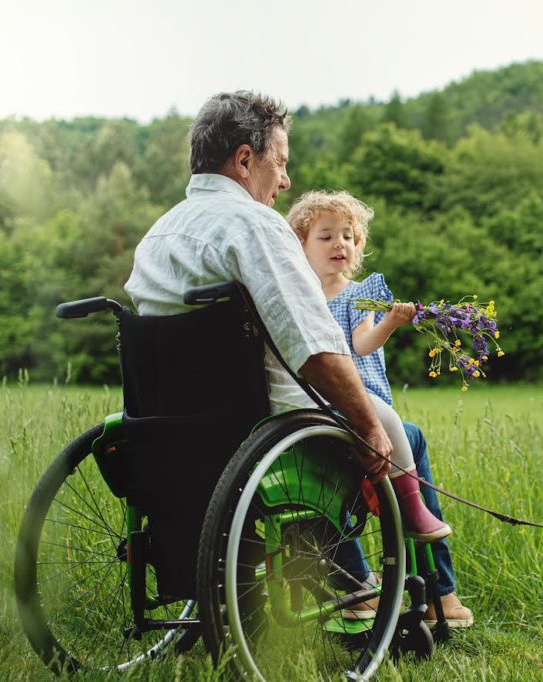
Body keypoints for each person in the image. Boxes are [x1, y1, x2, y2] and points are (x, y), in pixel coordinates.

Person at [124, 90, 472, 628]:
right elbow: (315, 346)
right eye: (280, 163)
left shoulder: (160, 232)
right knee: (386, 428)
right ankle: (377, 581)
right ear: (245, 159)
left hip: (168, 429)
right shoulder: (254, 227)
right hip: (258, 423)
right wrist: (369, 429)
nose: (284, 182)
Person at [287, 190, 450, 543]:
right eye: (326, 236)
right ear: (301, 245)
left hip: (355, 393)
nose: (339, 244)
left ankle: (411, 505)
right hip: (315, 397)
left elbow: (362, 344)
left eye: (348, 236)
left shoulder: (360, 294)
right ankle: (353, 572)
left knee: (389, 423)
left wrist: (389, 322)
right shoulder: (299, 294)